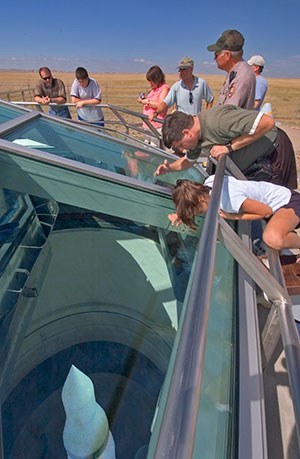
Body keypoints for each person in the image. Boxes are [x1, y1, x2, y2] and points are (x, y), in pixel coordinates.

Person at [154, 106, 297, 189]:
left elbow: (267, 122)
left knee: (278, 206)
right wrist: (169, 168)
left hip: (274, 152)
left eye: (180, 145)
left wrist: (229, 147)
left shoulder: (218, 121)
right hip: (255, 164)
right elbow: (189, 160)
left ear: (186, 133)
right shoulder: (196, 137)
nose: (182, 149)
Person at [167, 176, 300, 261]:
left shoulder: (228, 202)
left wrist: (234, 216)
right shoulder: (211, 183)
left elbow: (266, 211)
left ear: (201, 200)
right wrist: (181, 215)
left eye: (196, 211)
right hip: (277, 203)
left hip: (288, 202)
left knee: (272, 238)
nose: (198, 213)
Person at [149, 57, 214, 120]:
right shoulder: (176, 87)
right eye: (180, 69)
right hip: (181, 125)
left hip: (196, 125)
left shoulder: (201, 83)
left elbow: (210, 99)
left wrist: (205, 117)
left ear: (191, 69)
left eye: (183, 69)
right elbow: (165, 103)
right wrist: (155, 113)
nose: (180, 72)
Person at [207, 30, 256, 110]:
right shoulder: (234, 72)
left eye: (216, 55)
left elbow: (228, 113)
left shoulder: (242, 76)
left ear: (227, 55)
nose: (214, 59)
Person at [137, 65, 170, 146]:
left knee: (154, 148)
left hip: (157, 125)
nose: (150, 83)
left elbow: (161, 104)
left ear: (157, 79)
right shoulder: (154, 89)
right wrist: (143, 99)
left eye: (151, 81)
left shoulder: (164, 88)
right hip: (148, 124)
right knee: (146, 147)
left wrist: (147, 102)